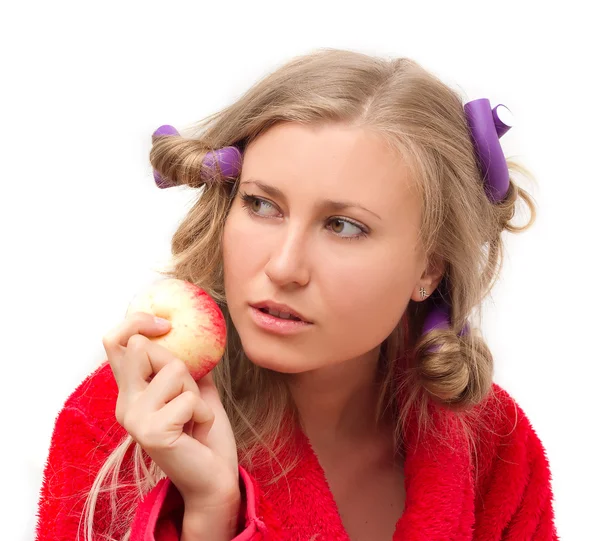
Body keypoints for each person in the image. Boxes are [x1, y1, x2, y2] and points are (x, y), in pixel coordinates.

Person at [34, 48, 559, 541]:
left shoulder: (494, 447)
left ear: (430, 267)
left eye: (344, 226)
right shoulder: (123, 423)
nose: (283, 267)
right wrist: (210, 513)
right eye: (262, 206)